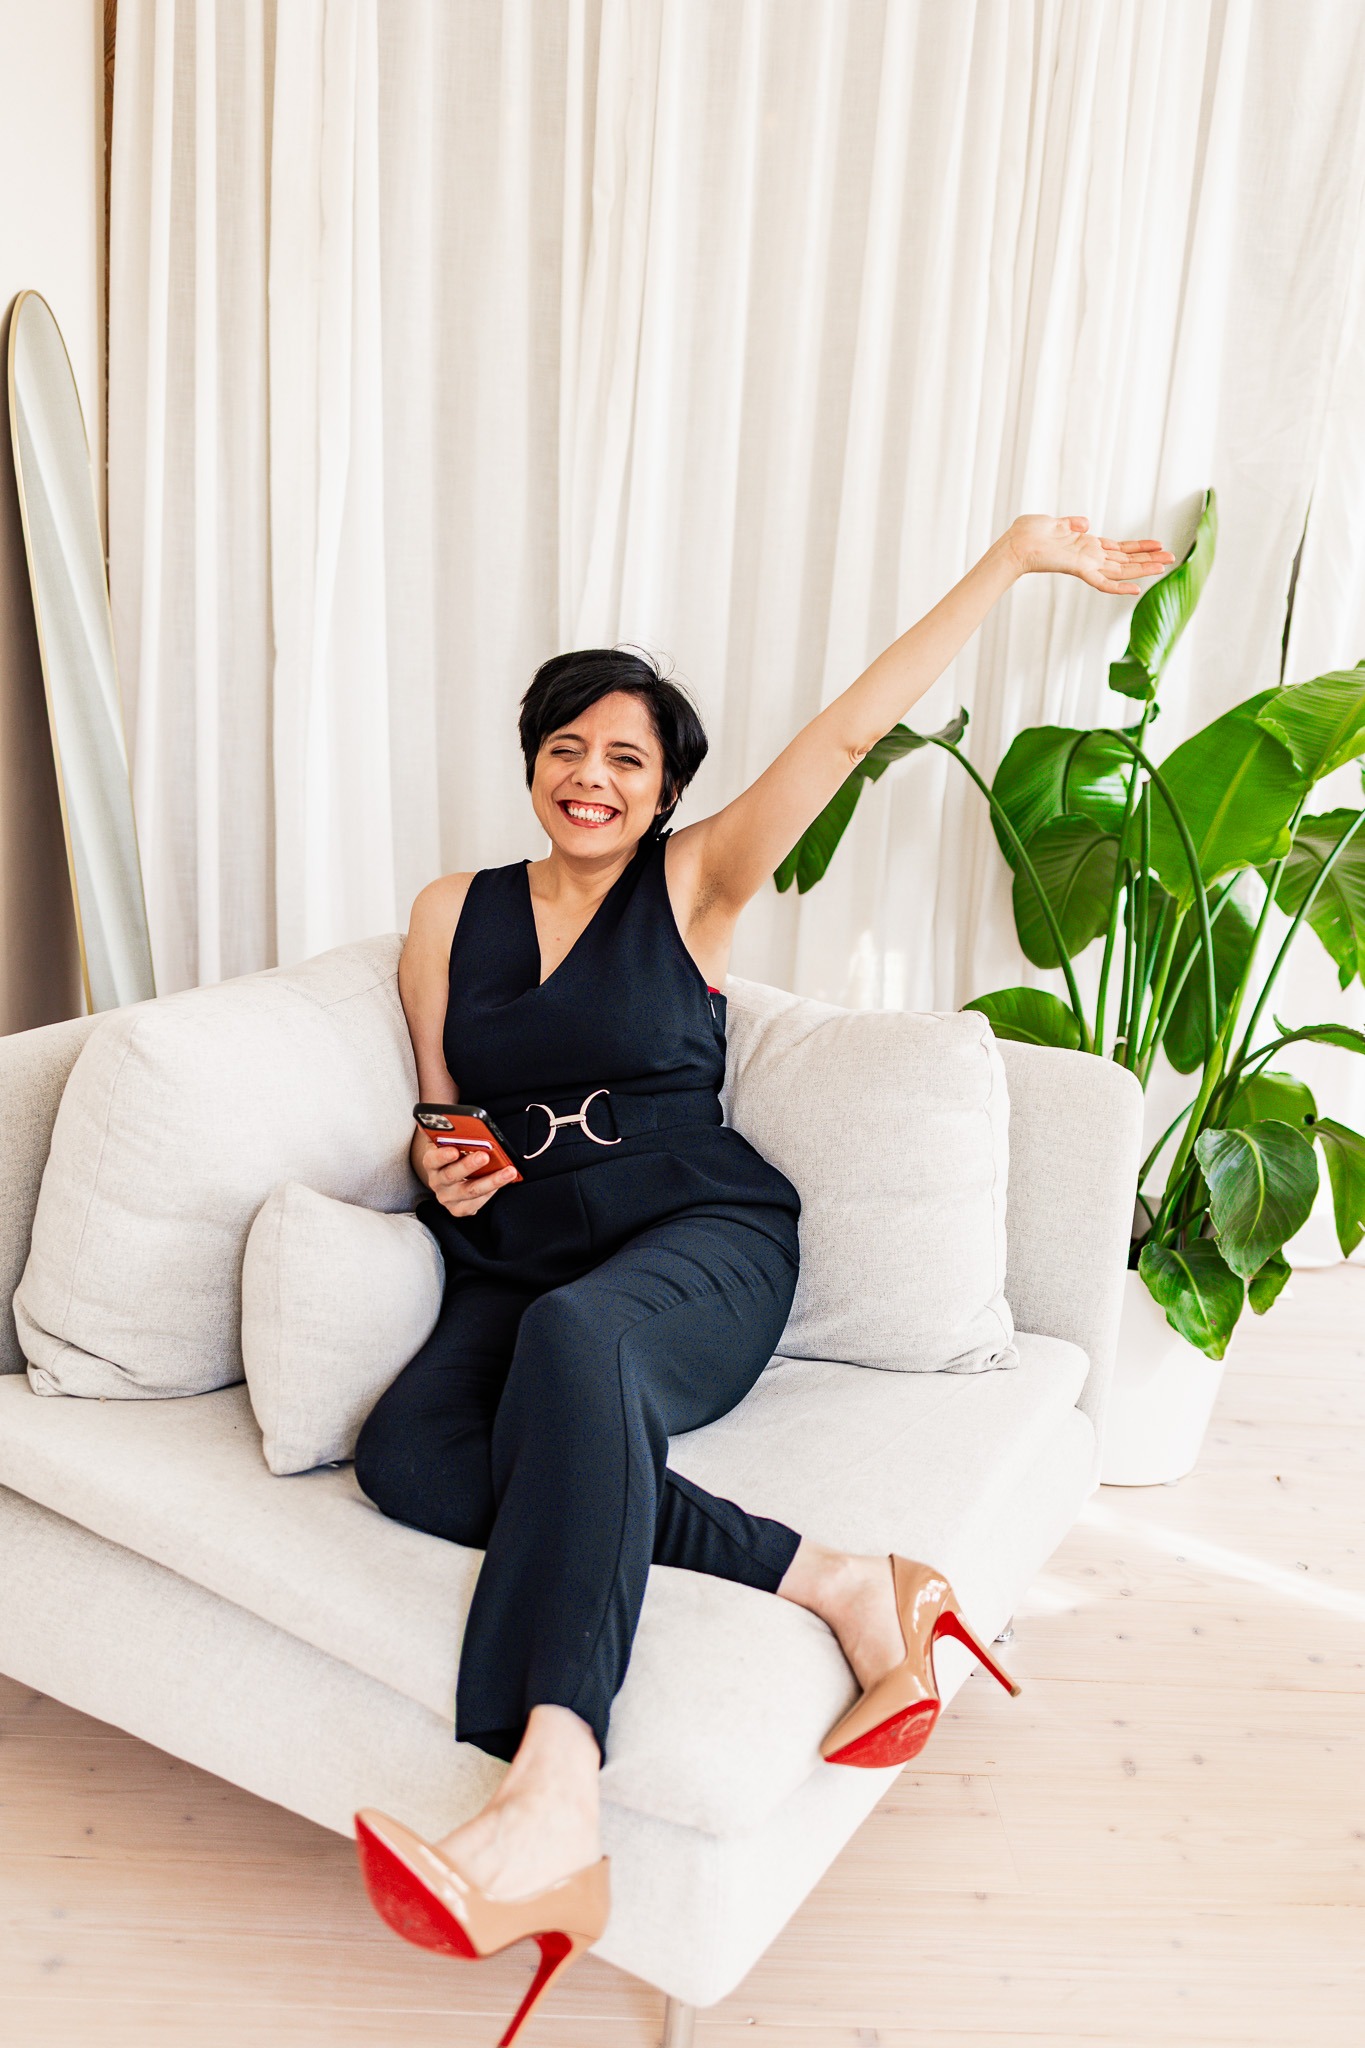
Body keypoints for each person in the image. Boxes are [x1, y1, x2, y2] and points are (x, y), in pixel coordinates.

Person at [350, 514, 1174, 2041]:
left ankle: (552, 1795)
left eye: (631, 761)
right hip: (514, 1253)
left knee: (585, 1351)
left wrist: (1009, 562)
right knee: (408, 1459)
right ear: (531, 756)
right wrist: (441, 1165)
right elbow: (437, 1105)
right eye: (571, 747)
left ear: (668, 792)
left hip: (694, 1234)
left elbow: (856, 727)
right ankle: (841, 1578)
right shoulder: (443, 911)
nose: (593, 777)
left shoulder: (697, 884)